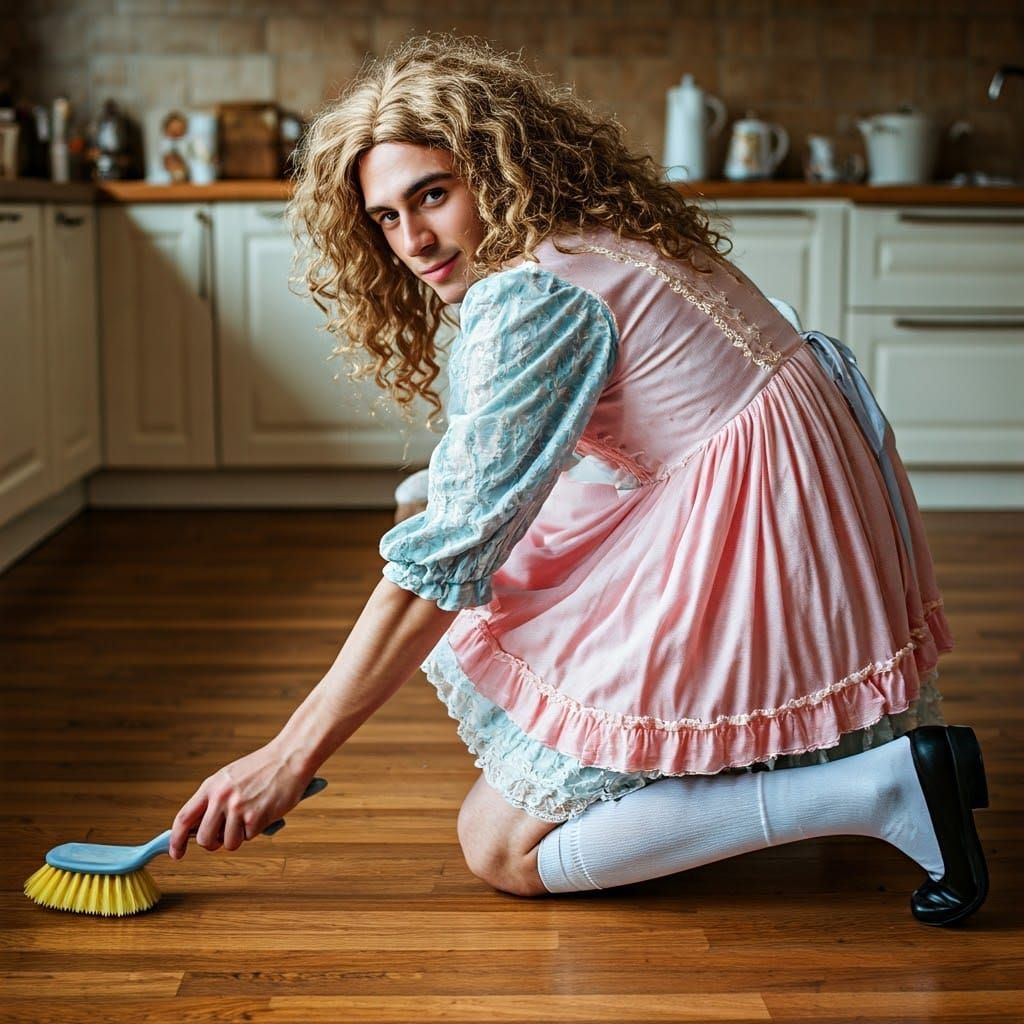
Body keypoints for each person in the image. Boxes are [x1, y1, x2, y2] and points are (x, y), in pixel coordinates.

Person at [169, 36, 989, 926]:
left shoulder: (535, 296)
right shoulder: (600, 230)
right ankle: (843, 771)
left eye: (433, 195)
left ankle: (881, 789)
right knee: (487, 555)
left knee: (499, 846)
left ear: (493, 166)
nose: (414, 240)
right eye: (386, 217)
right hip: (819, 507)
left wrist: (290, 753)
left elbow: (449, 558)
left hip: (763, 536)